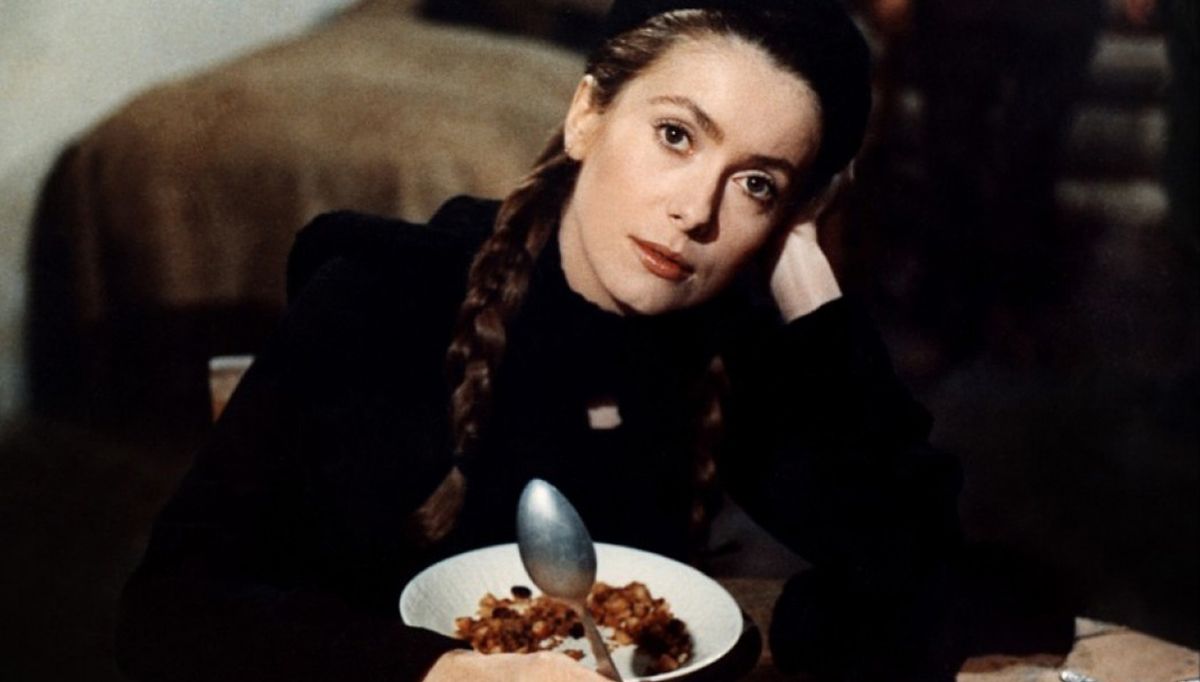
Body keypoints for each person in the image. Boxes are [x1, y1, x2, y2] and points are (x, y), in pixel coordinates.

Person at [116, 1, 965, 680]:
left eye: (755, 184)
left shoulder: (718, 338)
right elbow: (168, 616)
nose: (696, 211)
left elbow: (912, 564)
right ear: (588, 114)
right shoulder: (382, 300)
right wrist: (441, 673)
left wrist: (809, 284)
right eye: (676, 135)